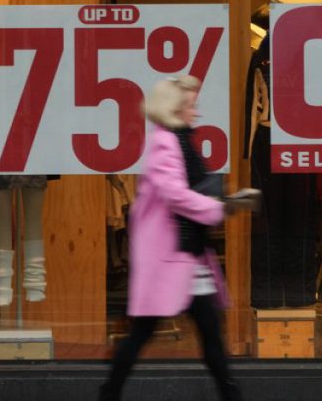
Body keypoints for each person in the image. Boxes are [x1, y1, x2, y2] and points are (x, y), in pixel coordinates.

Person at [99, 75, 243, 401]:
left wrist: (220, 202)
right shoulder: (165, 142)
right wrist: (217, 208)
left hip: (187, 259)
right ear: (175, 108)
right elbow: (174, 194)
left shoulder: (179, 141)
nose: (197, 111)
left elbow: (188, 190)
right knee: (142, 334)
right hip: (170, 258)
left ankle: (230, 394)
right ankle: (108, 393)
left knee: (209, 332)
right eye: (191, 105)